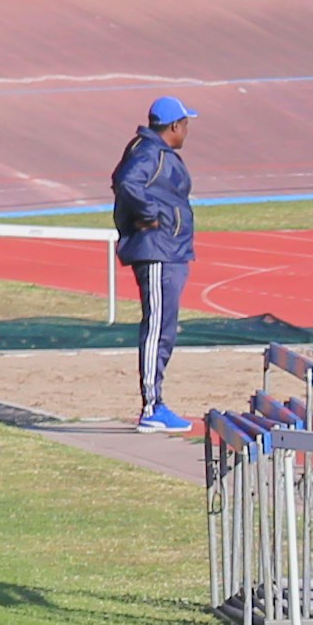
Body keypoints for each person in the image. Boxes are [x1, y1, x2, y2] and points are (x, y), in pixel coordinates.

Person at [110, 95, 198, 431]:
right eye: (185, 124)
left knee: (165, 328)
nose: (187, 131)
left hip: (170, 250)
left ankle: (155, 402)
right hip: (158, 251)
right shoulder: (149, 153)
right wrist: (148, 215)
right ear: (174, 126)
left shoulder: (153, 152)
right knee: (158, 328)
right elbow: (126, 182)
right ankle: (151, 406)